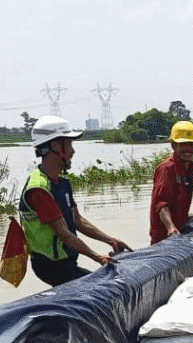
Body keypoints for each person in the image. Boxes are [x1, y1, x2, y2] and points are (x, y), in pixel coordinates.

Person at [19, 115, 132, 286]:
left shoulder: (61, 182)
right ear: (55, 146)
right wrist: (97, 257)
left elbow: (77, 220)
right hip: (51, 267)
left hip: (67, 262)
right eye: (69, 144)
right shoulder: (39, 189)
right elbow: (63, 233)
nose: (73, 151)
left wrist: (110, 240)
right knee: (104, 286)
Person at [149, 121, 193, 244]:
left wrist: (184, 216)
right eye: (183, 144)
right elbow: (161, 204)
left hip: (181, 229)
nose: (188, 149)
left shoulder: (190, 167)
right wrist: (170, 226)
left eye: (191, 144)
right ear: (173, 145)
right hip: (164, 236)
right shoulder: (167, 169)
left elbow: (180, 197)